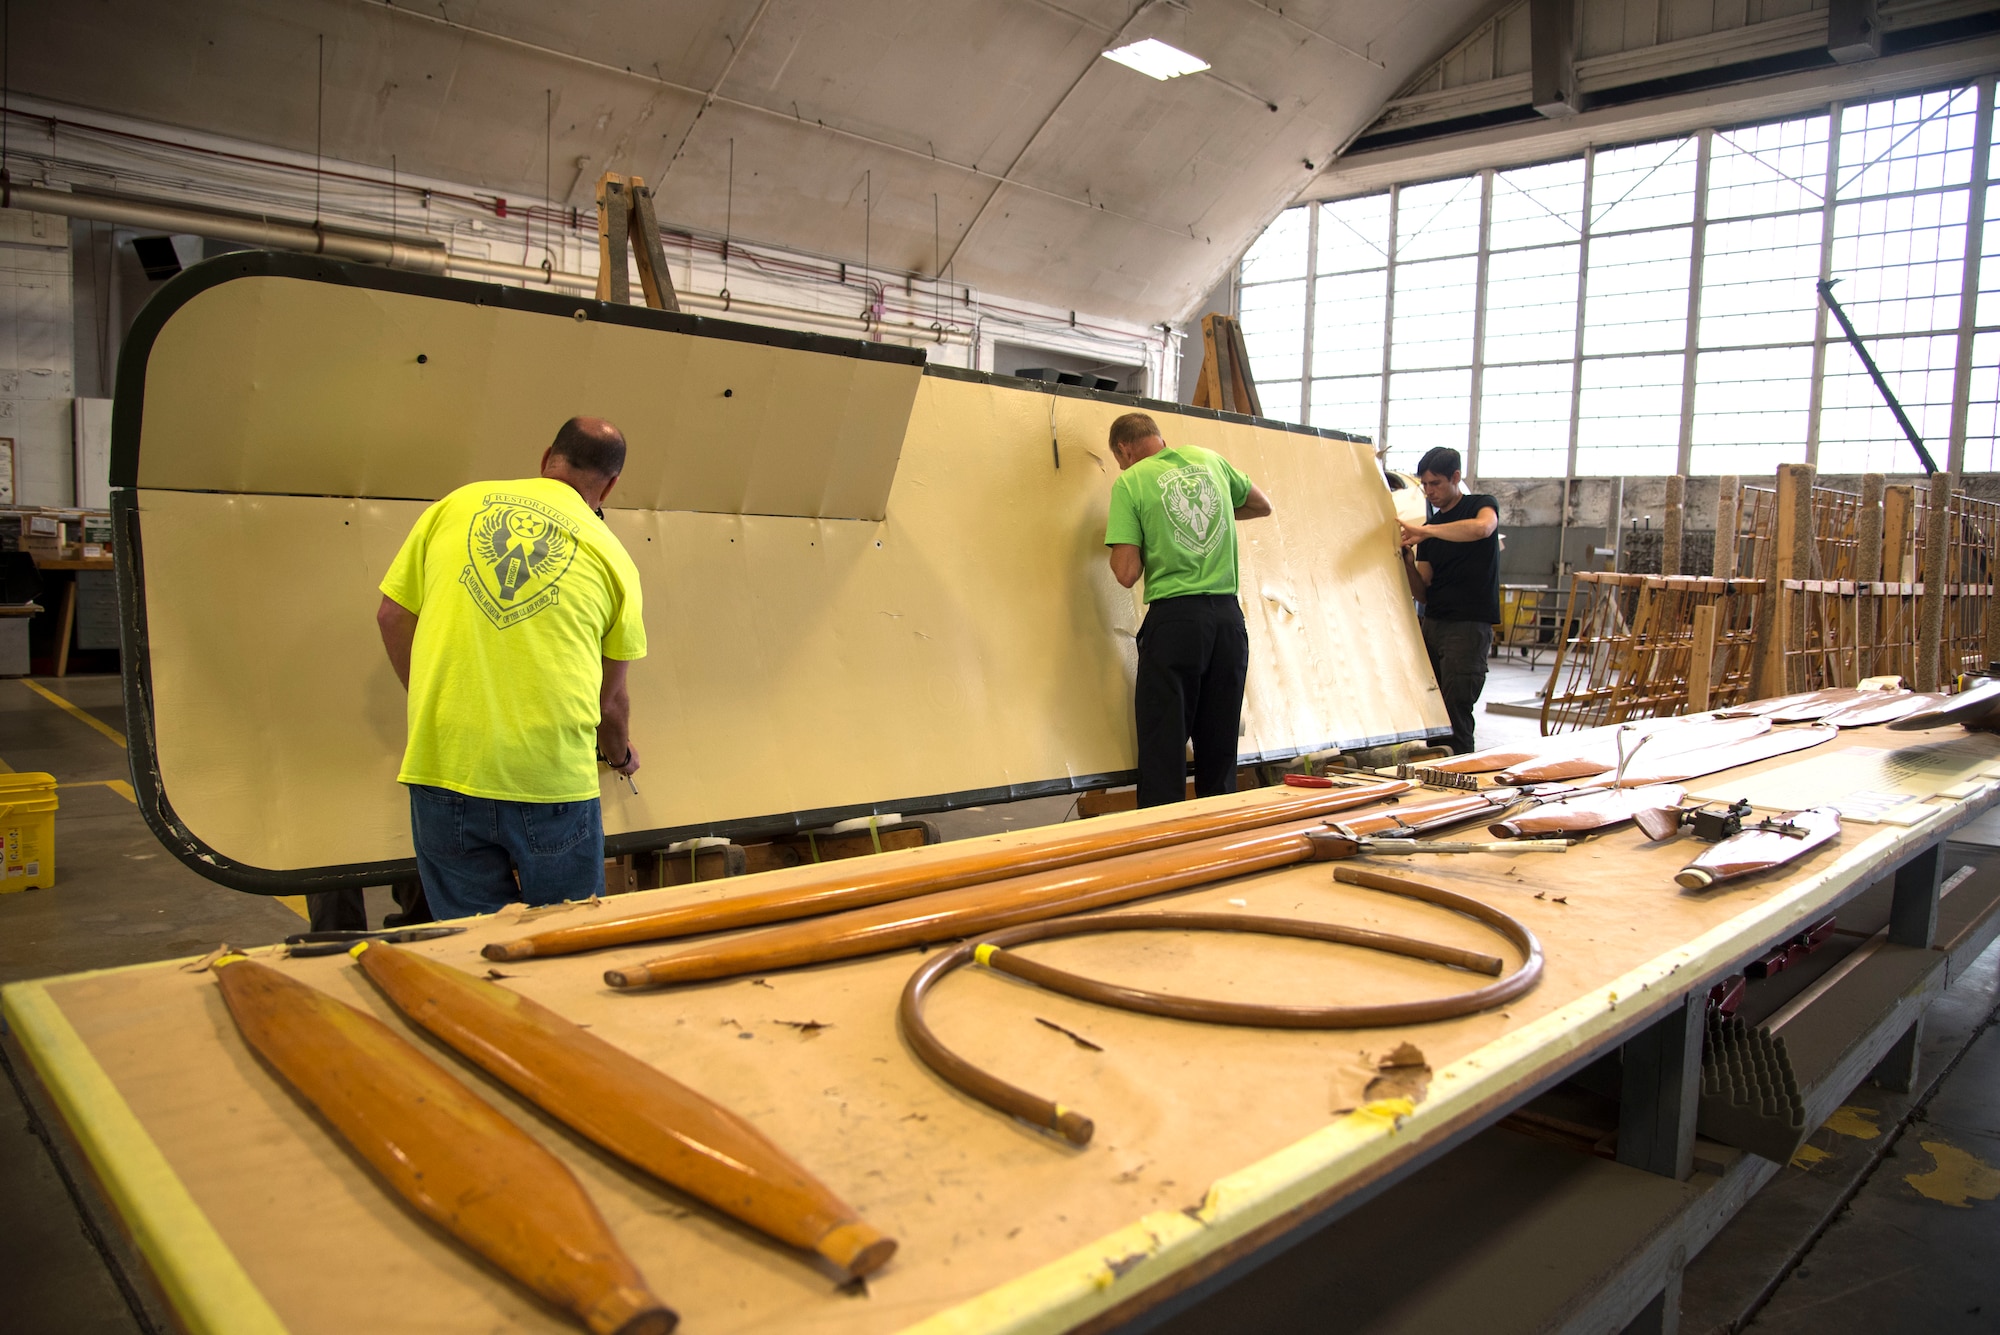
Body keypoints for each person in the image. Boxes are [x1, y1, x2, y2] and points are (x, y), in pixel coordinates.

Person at [375, 417, 646, 919]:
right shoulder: (614, 557)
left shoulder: (456, 505)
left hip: (444, 764)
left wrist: (434, 697)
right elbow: (610, 700)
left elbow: (392, 615)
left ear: (547, 459)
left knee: (470, 947)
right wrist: (618, 753)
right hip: (551, 780)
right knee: (566, 941)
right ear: (610, 487)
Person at [1104, 412, 1274, 807]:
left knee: (1163, 749)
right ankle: (1221, 848)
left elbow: (1126, 572)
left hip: (1176, 623)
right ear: (1157, 438)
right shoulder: (1208, 459)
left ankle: (1163, 852)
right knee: (1219, 747)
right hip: (1229, 623)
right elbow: (1261, 505)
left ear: (1124, 450)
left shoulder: (1131, 482)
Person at [1397, 445, 1499, 756]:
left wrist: (1427, 531)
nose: (1428, 491)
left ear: (1455, 477)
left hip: (1468, 626)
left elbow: (1483, 528)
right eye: (1424, 484)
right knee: (1433, 710)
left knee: (1456, 710)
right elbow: (1423, 591)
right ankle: (1435, 768)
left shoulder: (1480, 505)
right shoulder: (1429, 533)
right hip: (1435, 623)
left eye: (1435, 483)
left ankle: (1461, 773)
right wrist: (1406, 561)